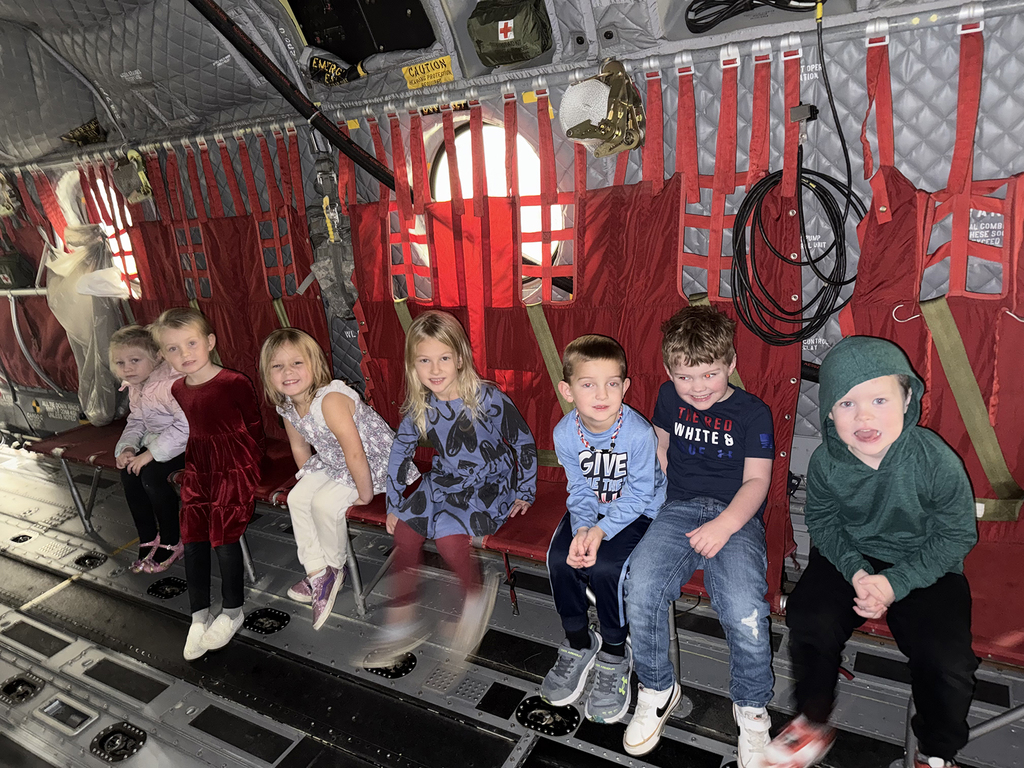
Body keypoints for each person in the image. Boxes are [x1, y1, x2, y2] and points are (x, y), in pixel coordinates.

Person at [764, 336, 978, 768]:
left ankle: (936, 752)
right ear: (828, 412)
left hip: (923, 564)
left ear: (906, 400)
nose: (864, 415)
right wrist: (858, 572)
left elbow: (957, 535)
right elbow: (823, 524)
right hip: (852, 557)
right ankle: (812, 718)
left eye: (879, 399)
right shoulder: (826, 462)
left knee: (948, 660)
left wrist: (894, 583)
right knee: (809, 617)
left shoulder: (934, 461)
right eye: (846, 403)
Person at [624, 305, 775, 766]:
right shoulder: (670, 397)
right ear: (670, 371)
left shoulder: (754, 413)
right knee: (641, 586)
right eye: (685, 376)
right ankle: (656, 687)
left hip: (737, 518)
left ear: (730, 364)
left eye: (709, 374)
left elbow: (757, 482)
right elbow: (661, 444)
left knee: (746, 609)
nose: (698, 387)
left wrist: (725, 524)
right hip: (680, 509)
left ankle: (751, 709)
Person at [368, 310, 537, 667]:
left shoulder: (487, 398)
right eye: (424, 360)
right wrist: (395, 503)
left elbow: (522, 441)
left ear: (460, 359)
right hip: (446, 478)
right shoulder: (422, 403)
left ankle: (473, 597)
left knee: (446, 535)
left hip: (489, 481)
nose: (435, 369)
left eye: (444, 358)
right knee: (405, 534)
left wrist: (526, 490)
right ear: (413, 365)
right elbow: (401, 449)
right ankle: (402, 615)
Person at [542, 335, 666, 724]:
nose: (602, 393)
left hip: (638, 510)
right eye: (588, 384)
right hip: (593, 509)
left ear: (625, 387)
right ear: (567, 390)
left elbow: (639, 494)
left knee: (608, 569)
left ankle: (614, 651)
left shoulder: (638, 434)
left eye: (612, 383)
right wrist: (583, 528)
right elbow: (578, 489)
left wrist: (601, 532)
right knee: (561, 560)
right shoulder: (565, 433)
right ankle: (580, 641)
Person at [259, 328, 397, 630]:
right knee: (296, 497)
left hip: (372, 462)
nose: (288, 372)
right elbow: (300, 446)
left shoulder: (330, 400)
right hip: (335, 460)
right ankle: (316, 570)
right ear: (268, 374)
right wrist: (308, 479)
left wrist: (365, 494)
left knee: (324, 505)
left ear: (315, 365)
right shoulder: (288, 404)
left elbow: (356, 452)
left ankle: (333, 569)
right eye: (277, 366)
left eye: (297, 363)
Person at [151, 307, 264, 661]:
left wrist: (245, 466)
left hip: (235, 464)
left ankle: (232, 609)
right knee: (194, 534)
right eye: (173, 349)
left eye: (191, 343)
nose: (184, 354)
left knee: (224, 536)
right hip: (199, 463)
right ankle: (199, 613)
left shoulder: (234, 382)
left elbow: (254, 426)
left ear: (210, 342)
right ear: (163, 355)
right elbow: (195, 432)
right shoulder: (178, 389)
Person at [110, 325, 189, 574]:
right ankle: (148, 537)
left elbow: (187, 424)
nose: (127, 368)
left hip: (193, 442)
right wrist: (128, 448)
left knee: (153, 476)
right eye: (120, 362)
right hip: (161, 442)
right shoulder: (137, 385)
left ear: (157, 357)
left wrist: (151, 454)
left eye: (135, 360)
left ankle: (172, 539)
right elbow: (137, 421)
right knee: (129, 473)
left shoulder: (170, 384)